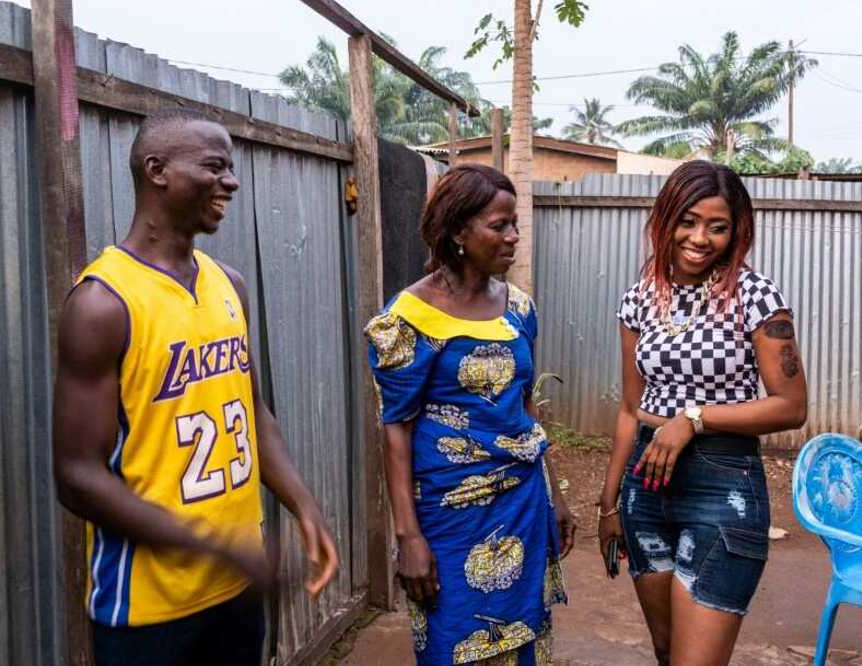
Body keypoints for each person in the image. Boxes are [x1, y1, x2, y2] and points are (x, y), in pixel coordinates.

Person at [53, 108, 338, 666]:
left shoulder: (227, 283)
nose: (230, 181)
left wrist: (304, 504)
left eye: (230, 168)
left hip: (236, 590)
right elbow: (76, 477)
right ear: (157, 170)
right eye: (214, 166)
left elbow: (252, 411)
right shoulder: (103, 302)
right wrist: (212, 548)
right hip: (149, 609)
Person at [596, 160, 808, 666]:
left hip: (723, 486)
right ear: (666, 219)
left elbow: (792, 406)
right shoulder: (640, 298)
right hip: (644, 490)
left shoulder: (755, 297)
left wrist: (694, 418)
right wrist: (609, 504)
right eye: (688, 221)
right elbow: (631, 408)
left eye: (718, 226)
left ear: (737, 231)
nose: (700, 238)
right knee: (668, 653)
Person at [365, 163, 576, 665]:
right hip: (450, 518)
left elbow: (525, 407)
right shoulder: (409, 319)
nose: (514, 237)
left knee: (526, 637)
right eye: (499, 225)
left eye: (515, 224)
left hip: (523, 505)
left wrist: (556, 494)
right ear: (459, 231)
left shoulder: (517, 307)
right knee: (453, 641)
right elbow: (396, 429)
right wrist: (407, 536)